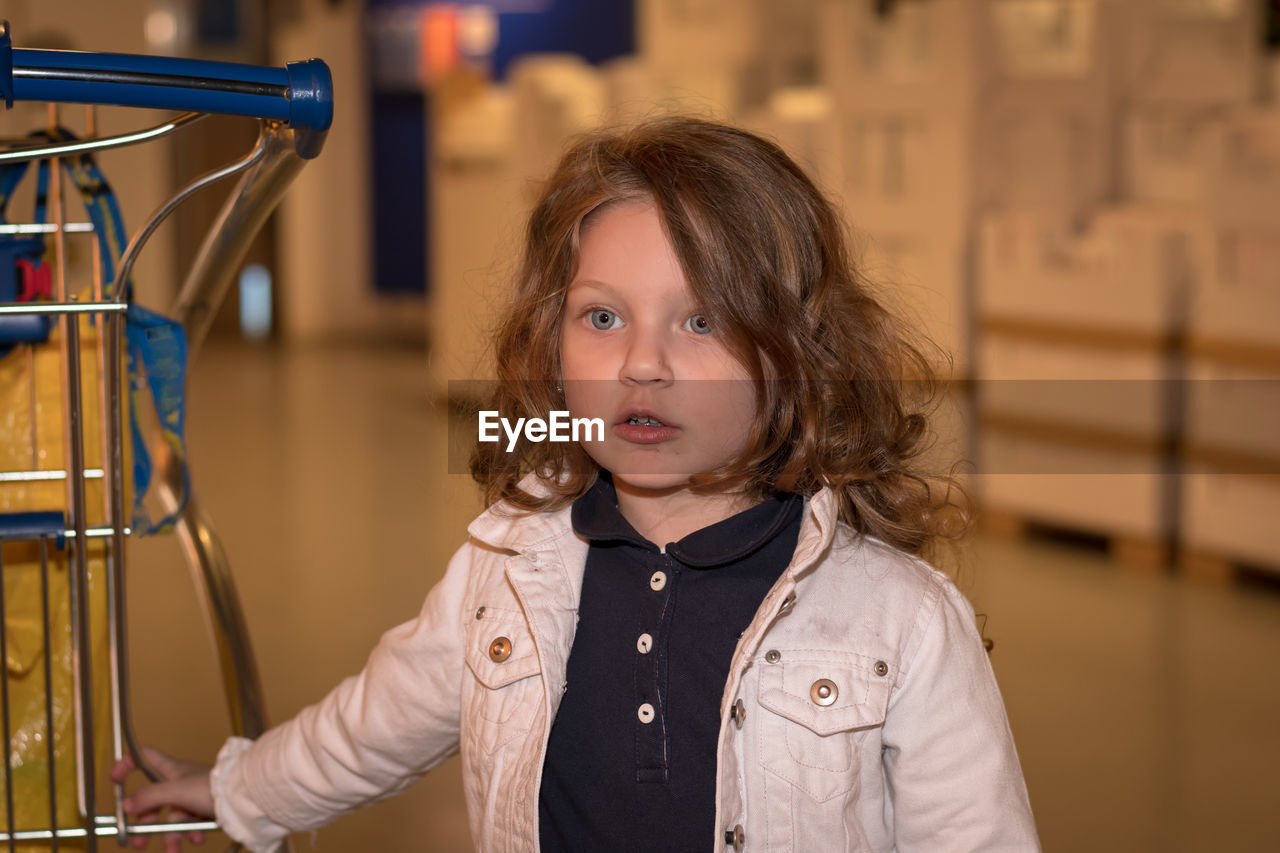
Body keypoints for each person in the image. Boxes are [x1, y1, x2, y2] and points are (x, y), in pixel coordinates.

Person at [113, 117, 1039, 852]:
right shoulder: (510, 568)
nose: (642, 362)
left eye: (702, 320)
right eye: (602, 315)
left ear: (796, 354)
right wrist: (235, 790)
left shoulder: (901, 622)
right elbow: (376, 722)